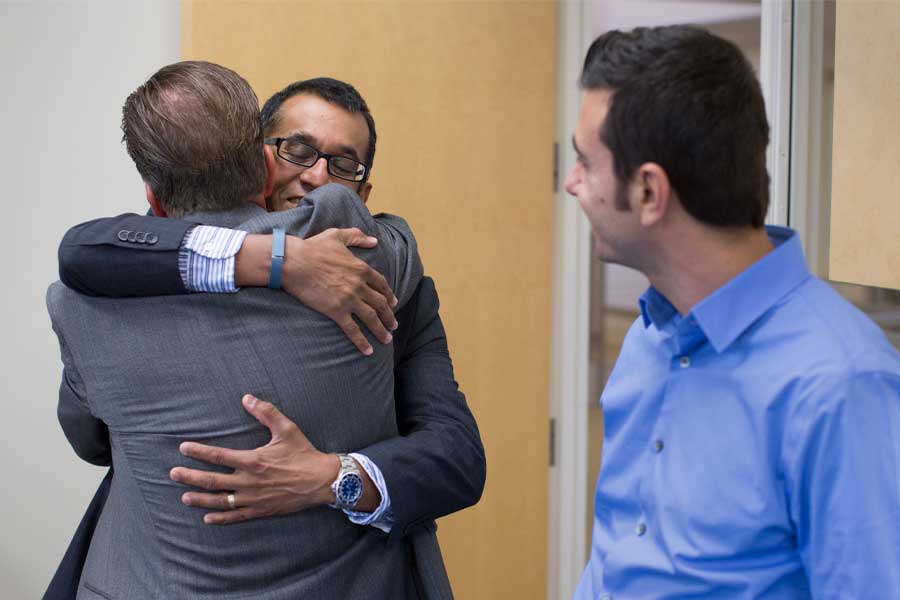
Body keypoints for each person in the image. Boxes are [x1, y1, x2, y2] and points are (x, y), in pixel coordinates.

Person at [50, 74, 484, 585]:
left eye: (343, 165)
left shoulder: (382, 282)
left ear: (362, 196)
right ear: (261, 160)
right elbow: (85, 250)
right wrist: (274, 258)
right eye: (298, 150)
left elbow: (456, 457)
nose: (317, 179)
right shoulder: (135, 269)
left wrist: (331, 478)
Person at [565, 25, 900, 599]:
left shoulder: (841, 387)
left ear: (649, 192)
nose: (571, 183)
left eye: (585, 162)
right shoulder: (651, 337)